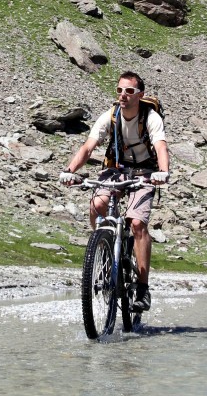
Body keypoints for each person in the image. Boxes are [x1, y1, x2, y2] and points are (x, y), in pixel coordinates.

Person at [60, 71, 169, 313]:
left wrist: (163, 172)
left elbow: (161, 146)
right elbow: (88, 147)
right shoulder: (110, 116)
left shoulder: (150, 117)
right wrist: (69, 170)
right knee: (97, 205)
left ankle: (142, 288)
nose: (123, 95)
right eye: (120, 90)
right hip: (116, 169)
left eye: (129, 91)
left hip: (146, 172)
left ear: (139, 95)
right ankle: (105, 248)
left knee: (138, 223)